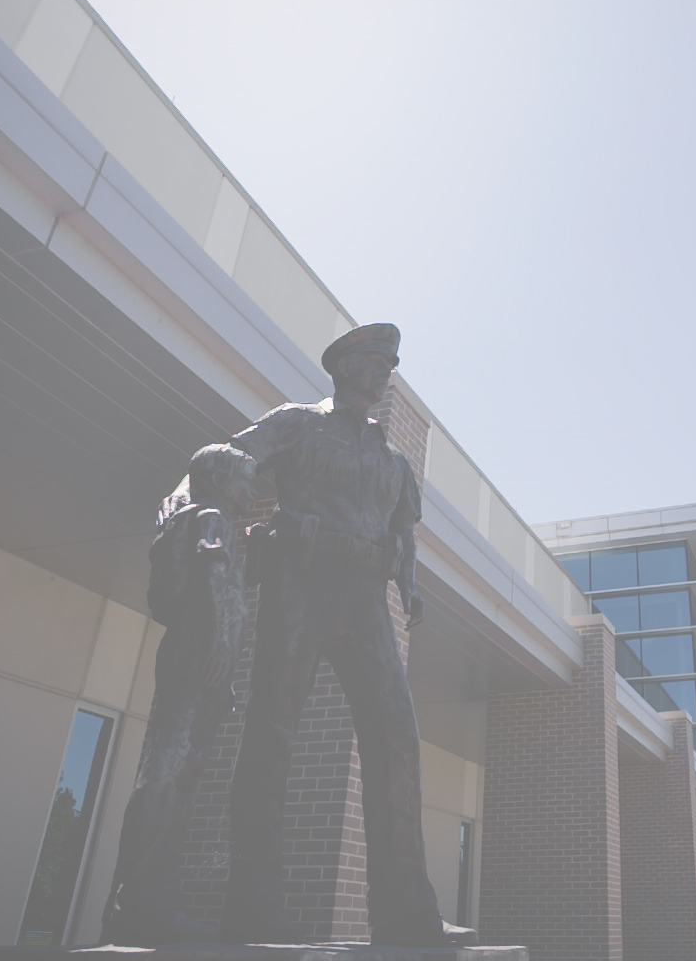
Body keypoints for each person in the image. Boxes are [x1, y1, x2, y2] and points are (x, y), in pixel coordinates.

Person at [164, 323, 473, 948]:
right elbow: (224, 461)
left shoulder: (391, 457)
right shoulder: (298, 422)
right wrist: (199, 511)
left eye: (390, 363)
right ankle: (251, 903)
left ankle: (406, 908)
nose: (386, 372)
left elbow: (401, 531)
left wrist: (407, 583)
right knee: (272, 729)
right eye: (375, 361)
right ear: (343, 367)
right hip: (301, 579)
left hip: (365, 593)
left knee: (397, 737)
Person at [101, 443, 260, 945]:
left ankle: (139, 902)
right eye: (246, 478)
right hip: (198, 651)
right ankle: (147, 904)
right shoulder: (212, 518)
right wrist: (221, 648)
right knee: (171, 776)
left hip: (189, 651)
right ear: (220, 477)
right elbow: (220, 584)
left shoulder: (195, 518)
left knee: (171, 772)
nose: (252, 490)